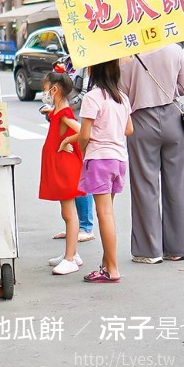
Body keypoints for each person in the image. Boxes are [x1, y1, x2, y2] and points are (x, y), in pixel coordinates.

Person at [120, 44, 184, 264]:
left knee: (145, 186)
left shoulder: (125, 55)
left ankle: (149, 251)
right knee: (178, 185)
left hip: (141, 121)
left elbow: (121, 93)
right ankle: (178, 248)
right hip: (173, 117)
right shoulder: (175, 49)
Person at [77, 59, 133, 283]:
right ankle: (105, 264)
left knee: (105, 215)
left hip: (100, 159)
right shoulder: (122, 98)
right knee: (107, 213)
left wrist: (82, 152)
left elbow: (84, 134)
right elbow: (129, 129)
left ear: (93, 69)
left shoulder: (92, 98)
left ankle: (113, 270)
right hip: (119, 161)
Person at [38, 71, 85, 276]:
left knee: (69, 213)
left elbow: (83, 131)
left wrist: (66, 141)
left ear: (54, 89)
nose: (44, 92)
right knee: (66, 212)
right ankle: (71, 252)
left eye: (45, 88)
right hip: (60, 164)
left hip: (66, 166)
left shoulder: (65, 113)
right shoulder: (58, 110)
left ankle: (70, 258)